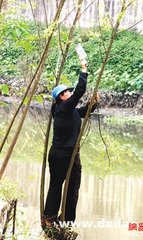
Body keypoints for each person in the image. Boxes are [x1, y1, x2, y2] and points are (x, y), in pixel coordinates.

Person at [42, 60, 98, 230]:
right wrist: (84, 69)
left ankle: (62, 220)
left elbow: (83, 112)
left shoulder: (68, 110)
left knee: (67, 187)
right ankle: (53, 218)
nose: (70, 93)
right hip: (62, 154)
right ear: (61, 97)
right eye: (67, 92)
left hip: (68, 154)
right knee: (61, 186)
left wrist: (93, 103)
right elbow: (80, 91)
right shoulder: (63, 108)